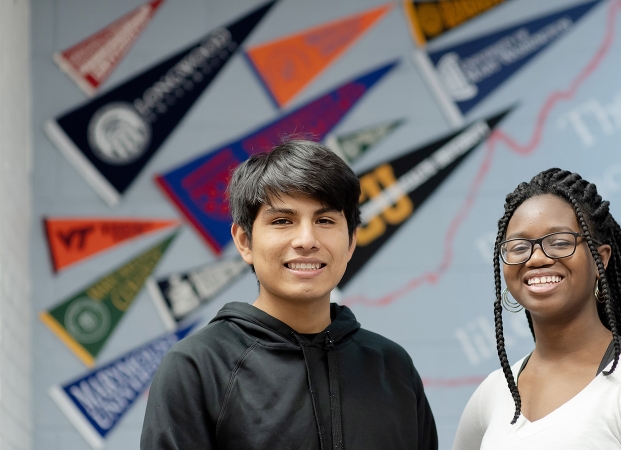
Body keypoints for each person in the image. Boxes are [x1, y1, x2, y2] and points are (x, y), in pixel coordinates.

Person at [141, 140, 438, 449]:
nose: (306, 240)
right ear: (245, 241)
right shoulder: (197, 366)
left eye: (324, 221)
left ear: (351, 241)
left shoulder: (392, 366)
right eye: (283, 221)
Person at [452, 168, 621, 449]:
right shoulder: (492, 393)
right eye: (520, 247)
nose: (536, 258)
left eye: (559, 243)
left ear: (601, 260)